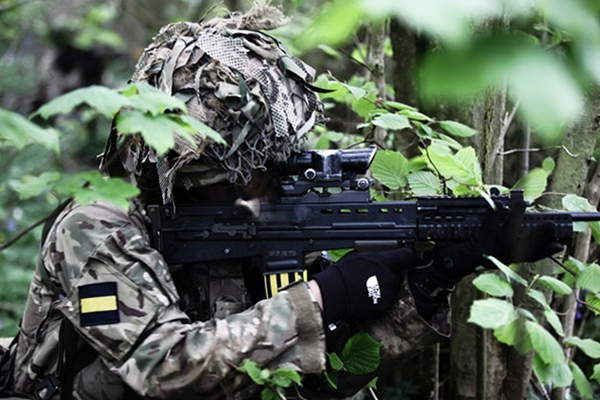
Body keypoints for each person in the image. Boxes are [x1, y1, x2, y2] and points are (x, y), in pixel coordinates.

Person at [0, 6, 563, 400]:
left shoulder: (251, 227)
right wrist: (322, 296)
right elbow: (166, 368)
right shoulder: (97, 229)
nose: (276, 174)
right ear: (202, 171)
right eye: (260, 163)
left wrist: (432, 280)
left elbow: (316, 377)